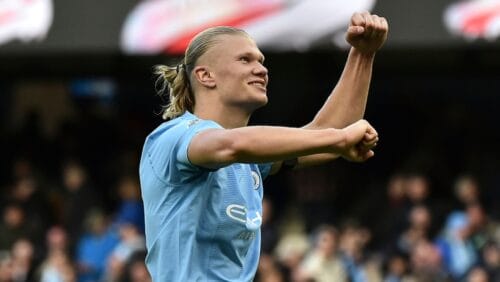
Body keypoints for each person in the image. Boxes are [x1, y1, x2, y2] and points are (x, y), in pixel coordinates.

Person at [139, 11, 388, 281]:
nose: (262, 69)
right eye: (245, 59)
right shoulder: (174, 137)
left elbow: (326, 133)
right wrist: (339, 140)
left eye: (261, 61)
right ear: (205, 75)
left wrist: (363, 55)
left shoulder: (250, 159)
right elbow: (231, 145)